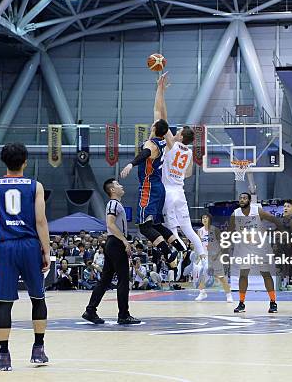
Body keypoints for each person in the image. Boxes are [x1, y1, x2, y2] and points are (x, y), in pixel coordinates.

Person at [0, 142, 51, 371]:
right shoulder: (35, 186)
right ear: (25, 161)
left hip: (4, 247)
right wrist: (46, 250)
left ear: (3, 161)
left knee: (4, 303)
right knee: (38, 298)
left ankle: (4, 355)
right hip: (29, 245)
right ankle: (38, 350)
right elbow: (40, 221)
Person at [119, 75, 187, 266]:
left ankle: (169, 254)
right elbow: (159, 111)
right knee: (156, 225)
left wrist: (131, 164)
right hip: (159, 187)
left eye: (155, 123)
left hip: (149, 186)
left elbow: (146, 153)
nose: (153, 121)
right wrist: (160, 89)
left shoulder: (152, 144)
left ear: (155, 128)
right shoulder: (167, 140)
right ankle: (182, 249)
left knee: (143, 226)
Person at [153, 72, 207, 269]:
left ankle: (181, 252)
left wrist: (160, 90)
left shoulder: (173, 146)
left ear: (181, 137)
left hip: (168, 191)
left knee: (171, 228)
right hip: (180, 191)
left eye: (177, 133)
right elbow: (189, 174)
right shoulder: (189, 152)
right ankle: (202, 256)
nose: (174, 133)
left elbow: (161, 118)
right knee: (188, 227)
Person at [82, 178, 140, 325]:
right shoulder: (113, 204)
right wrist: (124, 240)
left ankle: (90, 310)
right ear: (113, 190)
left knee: (105, 280)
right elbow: (110, 224)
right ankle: (123, 314)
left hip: (112, 243)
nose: (121, 186)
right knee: (123, 280)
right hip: (115, 243)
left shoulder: (115, 204)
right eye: (118, 185)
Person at [231, 187, 277, 314]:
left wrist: (273, 233)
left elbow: (274, 220)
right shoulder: (235, 213)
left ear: (250, 201)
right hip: (244, 249)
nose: (241, 199)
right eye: (240, 198)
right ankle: (241, 303)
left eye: (244, 198)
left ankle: (273, 302)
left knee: (266, 275)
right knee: (243, 274)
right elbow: (229, 231)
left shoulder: (258, 211)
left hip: (260, 248)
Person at [194, 214, 233, 302]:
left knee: (221, 277)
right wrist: (198, 257)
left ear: (210, 219)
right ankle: (202, 293)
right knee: (200, 274)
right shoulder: (199, 231)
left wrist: (217, 255)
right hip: (204, 256)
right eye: (203, 218)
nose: (204, 219)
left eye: (206, 217)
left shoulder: (215, 230)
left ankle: (229, 295)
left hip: (215, 256)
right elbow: (198, 245)